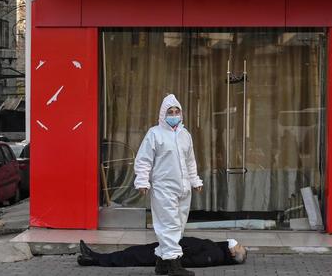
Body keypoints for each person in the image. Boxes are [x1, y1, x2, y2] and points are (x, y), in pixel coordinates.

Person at [135, 94, 203, 276]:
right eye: (170, 112)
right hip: (163, 187)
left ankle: (161, 262)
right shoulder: (155, 134)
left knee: (178, 225)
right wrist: (142, 180)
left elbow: (190, 161)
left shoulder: (185, 134)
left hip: (183, 188)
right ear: (162, 114)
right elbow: (144, 160)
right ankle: (174, 265)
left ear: (181, 113)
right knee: (169, 225)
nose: (174, 114)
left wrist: (195, 180)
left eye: (176, 111)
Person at [76, 237, 247, 269]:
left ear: (233, 254)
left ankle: (93, 258)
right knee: (132, 252)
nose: (238, 244)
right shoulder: (218, 249)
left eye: (239, 247)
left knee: (131, 257)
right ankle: (93, 258)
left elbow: (193, 261)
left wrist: (172, 256)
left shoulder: (215, 255)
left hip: (167, 252)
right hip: (168, 246)